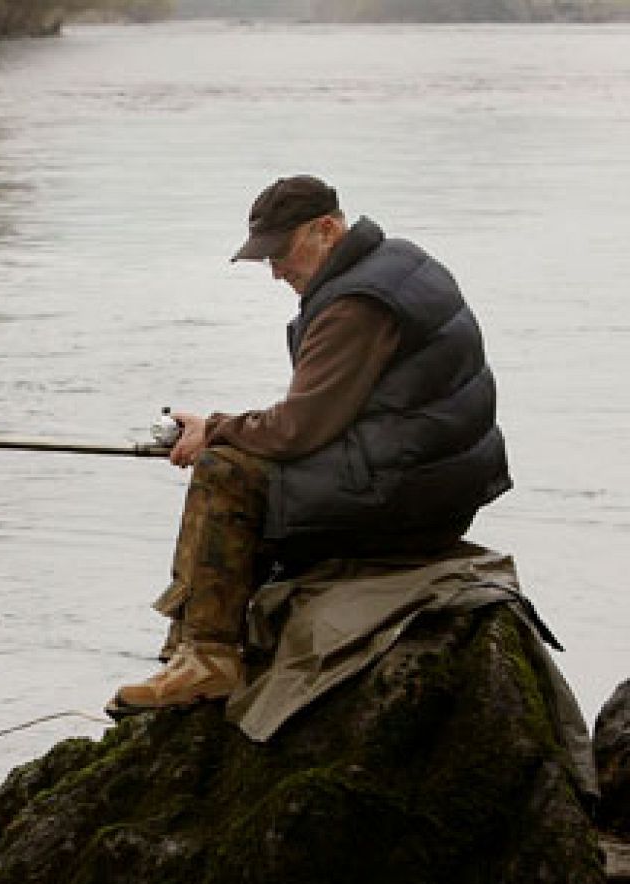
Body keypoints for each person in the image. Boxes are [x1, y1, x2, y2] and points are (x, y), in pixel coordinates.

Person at [105, 174, 511, 717]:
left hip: (406, 494)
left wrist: (214, 431)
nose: (274, 271)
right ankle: (190, 649)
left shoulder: (355, 305)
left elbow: (298, 429)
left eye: (280, 253)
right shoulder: (399, 263)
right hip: (439, 480)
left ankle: (207, 658)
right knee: (243, 458)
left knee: (226, 473)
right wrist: (221, 429)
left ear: (327, 229)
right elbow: (331, 415)